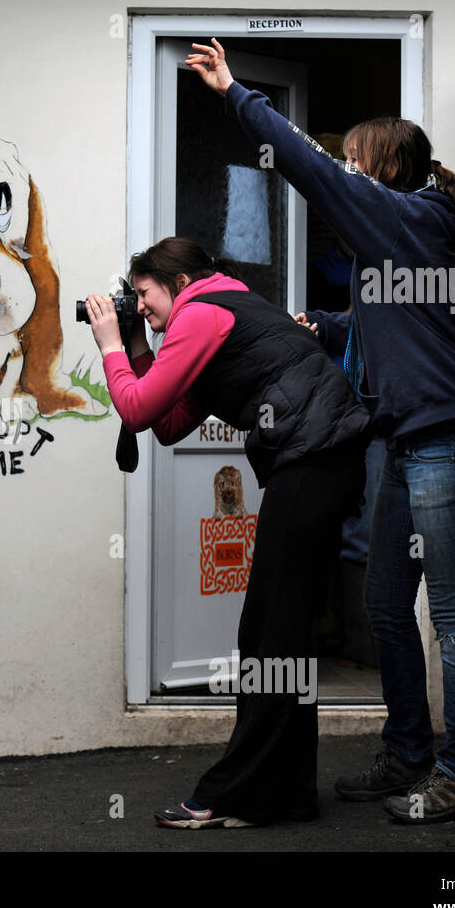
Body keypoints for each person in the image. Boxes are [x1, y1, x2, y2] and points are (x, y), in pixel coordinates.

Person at [188, 39, 455, 823]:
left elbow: (314, 171)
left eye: (358, 162)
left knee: (454, 613)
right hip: (407, 444)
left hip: (454, 443)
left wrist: (237, 94)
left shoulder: (410, 220)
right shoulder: (392, 249)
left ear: (387, 171)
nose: (349, 172)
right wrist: (326, 325)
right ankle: (409, 754)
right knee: (389, 605)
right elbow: (391, 326)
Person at [85, 237, 370, 827]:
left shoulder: (201, 313)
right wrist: (136, 344)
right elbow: (166, 423)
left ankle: (235, 791)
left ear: (180, 281)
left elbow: (134, 411)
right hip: (321, 463)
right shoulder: (227, 309)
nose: (140, 308)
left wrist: (110, 343)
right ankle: (286, 795)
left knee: (269, 634)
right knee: (281, 633)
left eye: (144, 296)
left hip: (314, 463)